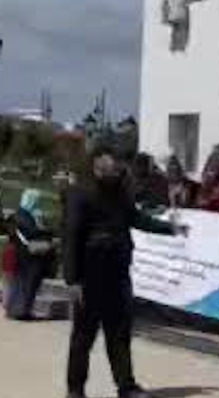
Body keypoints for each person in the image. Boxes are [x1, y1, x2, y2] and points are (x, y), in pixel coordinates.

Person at [63, 146, 185, 398]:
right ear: (97, 164)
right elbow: (71, 236)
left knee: (119, 334)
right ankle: (76, 390)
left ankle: (126, 386)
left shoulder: (120, 192)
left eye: (118, 164)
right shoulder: (80, 192)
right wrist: (72, 279)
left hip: (118, 275)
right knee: (83, 337)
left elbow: (137, 219)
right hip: (90, 276)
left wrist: (170, 229)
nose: (117, 168)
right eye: (112, 163)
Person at [6, 189, 56, 320]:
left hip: (23, 254)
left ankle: (16, 310)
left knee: (21, 283)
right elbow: (31, 232)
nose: (37, 203)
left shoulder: (19, 214)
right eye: (36, 200)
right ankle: (23, 311)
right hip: (29, 255)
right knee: (29, 283)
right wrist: (47, 231)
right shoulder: (23, 215)